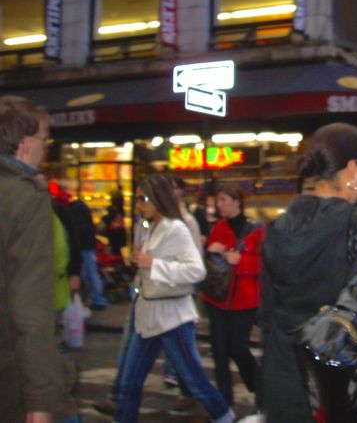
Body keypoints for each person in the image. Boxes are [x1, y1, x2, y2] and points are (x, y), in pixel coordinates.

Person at [259, 122, 357, 422]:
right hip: (332, 389)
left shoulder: (278, 228)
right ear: (353, 168)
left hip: (281, 381)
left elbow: (265, 315)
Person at [114, 174, 234, 423]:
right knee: (128, 383)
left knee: (195, 381)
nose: (138, 204)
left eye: (142, 199)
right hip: (148, 315)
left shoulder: (175, 228)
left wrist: (154, 264)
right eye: (136, 199)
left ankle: (226, 417)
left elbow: (196, 270)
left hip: (172, 318)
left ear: (157, 199)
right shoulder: (149, 227)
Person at [0, 95, 72, 422]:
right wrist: (40, 398)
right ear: (26, 144)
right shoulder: (26, 197)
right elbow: (29, 305)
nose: (47, 147)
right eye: (45, 139)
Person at [201, 183, 264, 407]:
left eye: (224, 200)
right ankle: (224, 403)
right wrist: (211, 250)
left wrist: (241, 262)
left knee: (238, 347)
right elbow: (210, 263)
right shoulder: (218, 228)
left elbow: (265, 264)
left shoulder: (256, 229)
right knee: (219, 351)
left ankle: (259, 388)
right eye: (218, 201)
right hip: (217, 298)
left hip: (244, 301)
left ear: (237, 201)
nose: (220, 205)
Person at [68, 196, 108, 309]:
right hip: (89, 245)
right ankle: (96, 298)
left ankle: (98, 299)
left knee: (90, 273)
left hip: (85, 246)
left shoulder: (75, 211)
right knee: (91, 273)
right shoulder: (82, 210)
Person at [100, 188, 127, 255]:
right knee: (118, 251)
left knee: (113, 251)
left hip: (113, 233)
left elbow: (105, 219)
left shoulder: (111, 210)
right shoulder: (121, 210)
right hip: (120, 233)